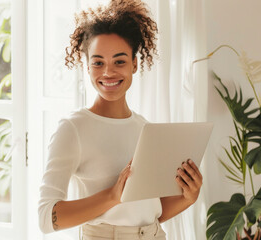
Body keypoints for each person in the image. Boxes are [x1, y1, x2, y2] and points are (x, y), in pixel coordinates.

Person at [38, 0, 203, 239]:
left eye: (119, 61)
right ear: (87, 67)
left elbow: (148, 213)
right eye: (98, 62)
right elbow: (46, 218)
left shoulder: (145, 128)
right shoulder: (73, 128)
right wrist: (112, 196)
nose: (108, 72)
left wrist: (188, 198)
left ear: (134, 64)